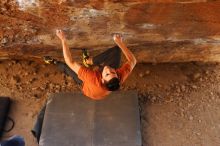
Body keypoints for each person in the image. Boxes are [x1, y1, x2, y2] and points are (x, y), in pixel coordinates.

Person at [44, 30, 136, 100]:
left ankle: (54, 62)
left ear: (103, 80)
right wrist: (119, 42)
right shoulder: (118, 77)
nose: (108, 69)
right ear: (117, 75)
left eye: (107, 74)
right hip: (103, 82)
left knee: (68, 68)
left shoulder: (92, 78)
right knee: (117, 50)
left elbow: (70, 62)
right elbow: (133, 60)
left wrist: (63, 39)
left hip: (87, 87)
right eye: (113, 72)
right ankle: (88, 61)